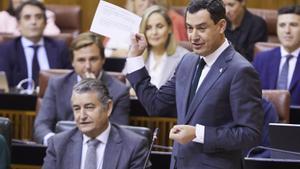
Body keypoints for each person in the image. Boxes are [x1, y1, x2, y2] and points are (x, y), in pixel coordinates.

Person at [125, 0, 263, 168]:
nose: (193, 36)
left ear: (221, 26)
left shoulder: (240, 71)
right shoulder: (187, 61)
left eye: (202, 28)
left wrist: (199, 133)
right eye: (190, 28)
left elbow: (250, 134)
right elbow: (156, 105)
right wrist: (135, 59)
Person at [34, 32, 130, 145]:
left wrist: (96, 89)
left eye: (93, 59)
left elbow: (117, 135)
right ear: (72, 62)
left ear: (103, 60)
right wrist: (55, 143)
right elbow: (41, 126)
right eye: (81, 60)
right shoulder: (57, 85)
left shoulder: (119, 91)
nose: (87, 66)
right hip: (60, 149)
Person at [42, 78, 150, 169]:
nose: (82, 116)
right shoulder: (58, 145)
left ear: (108, 108)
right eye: (77, 108)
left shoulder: (134, 146)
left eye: (89, 107)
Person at [0, 0, 70, 89]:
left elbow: (69, 81)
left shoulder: (60, 48)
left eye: (39, 17)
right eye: (27, 17)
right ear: (18, 24)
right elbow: (4, 87)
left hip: (54, 100)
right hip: (18, 101)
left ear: (45, 23)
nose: (33, 22)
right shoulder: (6, 50)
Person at [253, 5, 300, 106]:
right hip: (265, 119)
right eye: (282, 25)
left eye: (293, 25)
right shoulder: (261, 59)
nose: (287, 31)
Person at [140, 5, 189, 88]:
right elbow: (127, 84)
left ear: (169, 28)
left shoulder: (184, 58)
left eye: (159, 26)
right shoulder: (137, 56)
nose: (154, 32)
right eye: (148, 28)